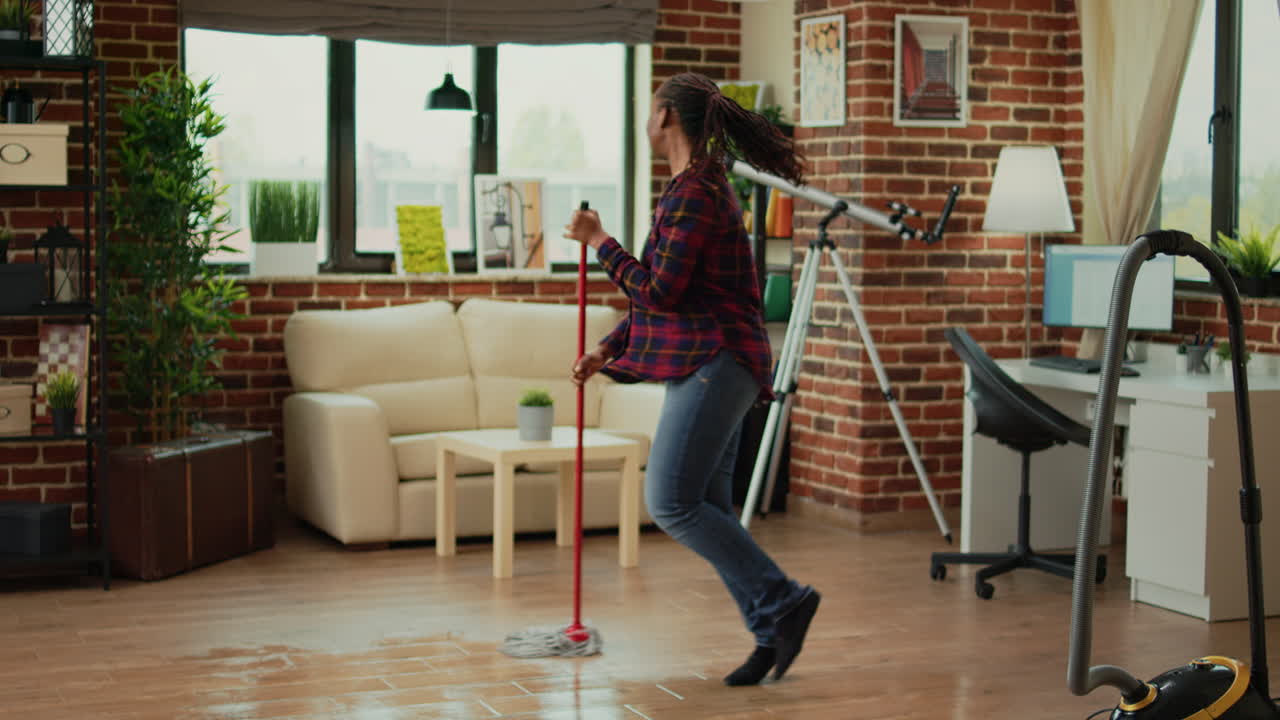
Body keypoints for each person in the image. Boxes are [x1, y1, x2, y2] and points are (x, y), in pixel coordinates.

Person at [562, 72, 820, 686]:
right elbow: (669, 295)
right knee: (708, 506)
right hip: (716, 360)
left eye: (648, 110)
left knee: (671, 503)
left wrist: (600, 241)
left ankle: (784, 600)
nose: (645, 120)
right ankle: (770, 626)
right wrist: (606, 348)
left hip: (717, 362)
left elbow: (661, 289)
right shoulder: (690, 188)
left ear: (667, 118)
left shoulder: (697, 193)